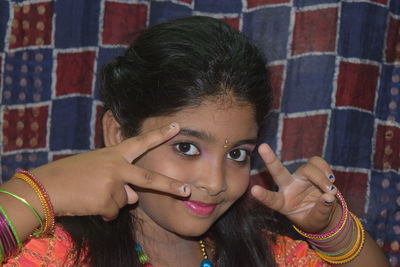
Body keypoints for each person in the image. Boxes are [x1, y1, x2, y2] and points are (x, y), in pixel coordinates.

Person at [0, 16, 389, 267]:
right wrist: (38, 193)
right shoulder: (58, 253)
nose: (216, 182)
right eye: (186, 147)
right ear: (117, 133)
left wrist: (333, 230)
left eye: (237, 153)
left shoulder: (264, 256)